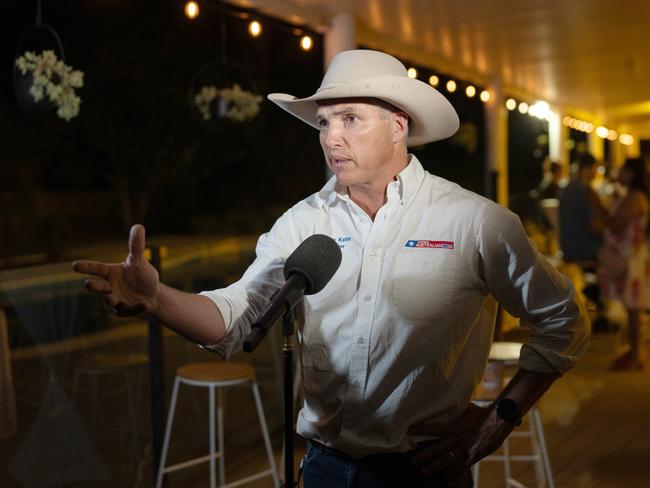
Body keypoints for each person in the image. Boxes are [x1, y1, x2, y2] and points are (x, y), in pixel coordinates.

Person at [73, 50, 590, 487]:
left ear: (399, 126)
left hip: (429, 472)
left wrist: (499, 418)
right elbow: (237, 315)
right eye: (324, 122)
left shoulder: (476, 221)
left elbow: (564, 320)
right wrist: (158, 298)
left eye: (349, 119)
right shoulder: (302, 222)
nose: (330, 138)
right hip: (323, 469)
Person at [599, 157, 650, 370]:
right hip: (633, 255)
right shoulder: (633, 196)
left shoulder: (635, 197)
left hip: (632, 257)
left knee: (633, 306)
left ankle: (636, 354)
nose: (618, 173)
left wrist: (599, 211)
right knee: (632, 306)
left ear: (631, 173)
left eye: (623, 170)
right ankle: (634, 352)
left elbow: (617, 224)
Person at [558, 153, 610, 331]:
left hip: (568, 247)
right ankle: (604, 309)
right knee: (621, 257)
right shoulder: (585, 191)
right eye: (596, 169)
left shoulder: (566, 189)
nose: (597, 173)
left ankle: (598, 304)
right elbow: (595, 225)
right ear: (587, 169)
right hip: (585, 248)